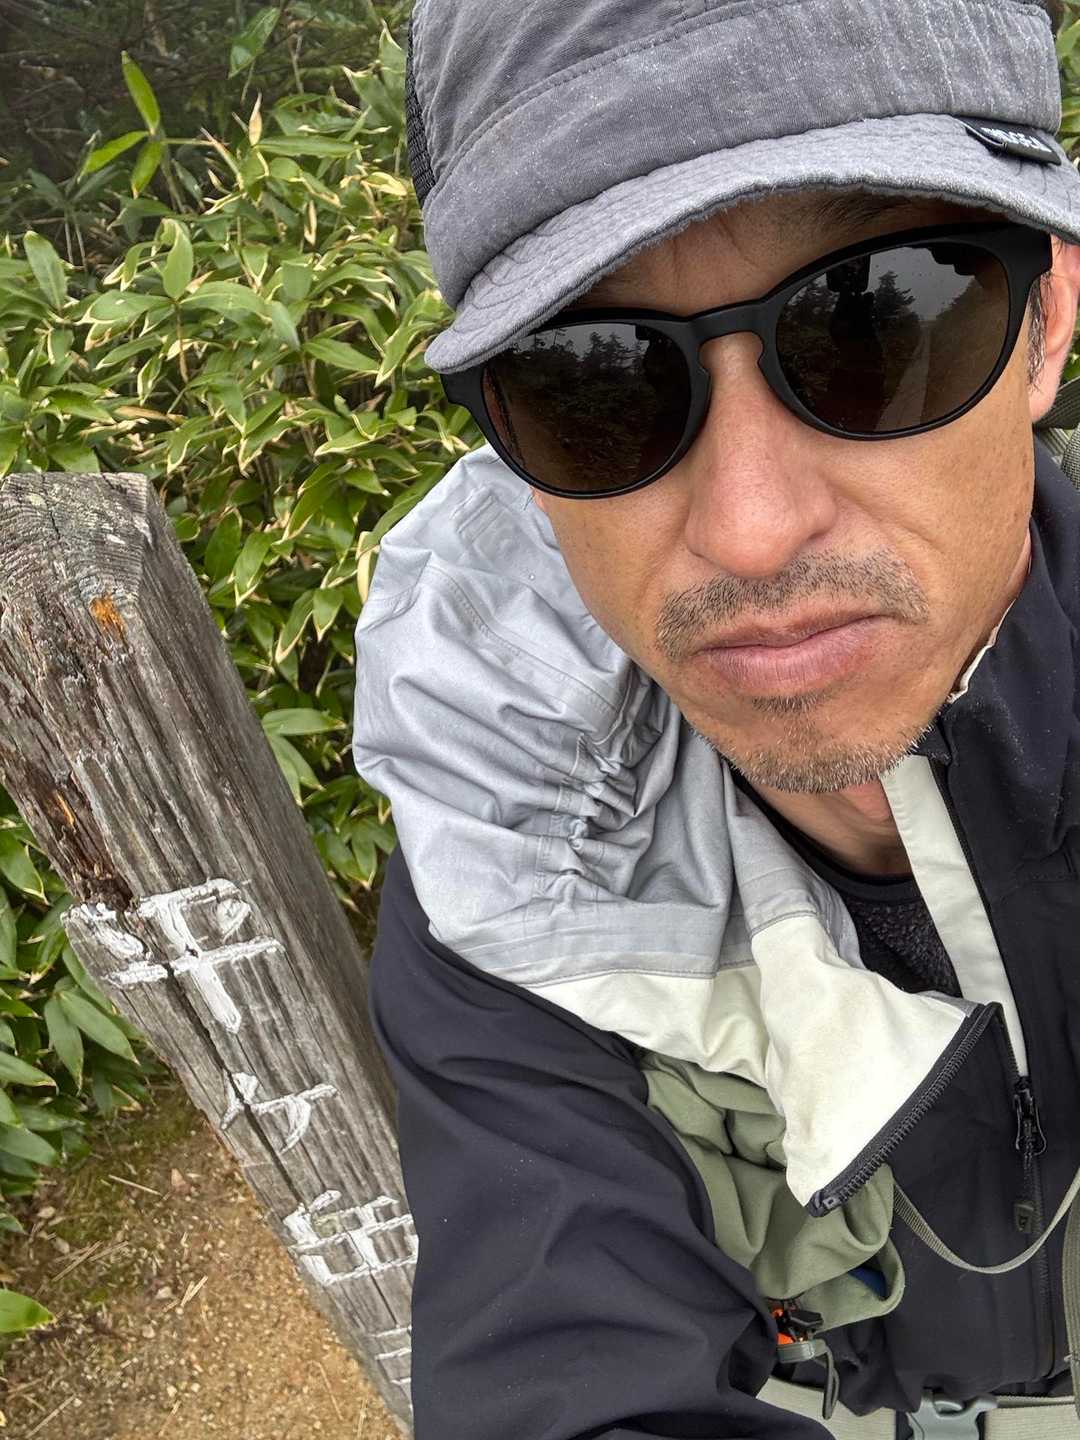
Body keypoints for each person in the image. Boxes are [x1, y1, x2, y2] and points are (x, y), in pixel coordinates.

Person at [351, 2, 1080, 1436]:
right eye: (591, 384)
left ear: (1049, 320)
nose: (750, 531)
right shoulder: (513, 871)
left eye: (878, 322)